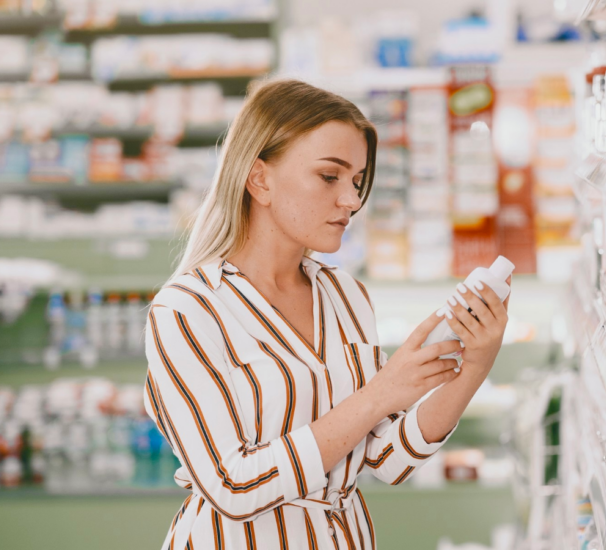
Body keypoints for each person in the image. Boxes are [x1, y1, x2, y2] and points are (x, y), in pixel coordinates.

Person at [143, 79, 511, 549]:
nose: (353, 200)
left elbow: (389, 459)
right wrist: (378, 395)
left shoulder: (345, 294)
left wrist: (475, 362)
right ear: (259, 179)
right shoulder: (187, 309)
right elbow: (232, 486)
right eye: (329, 176)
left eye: (357, 181)